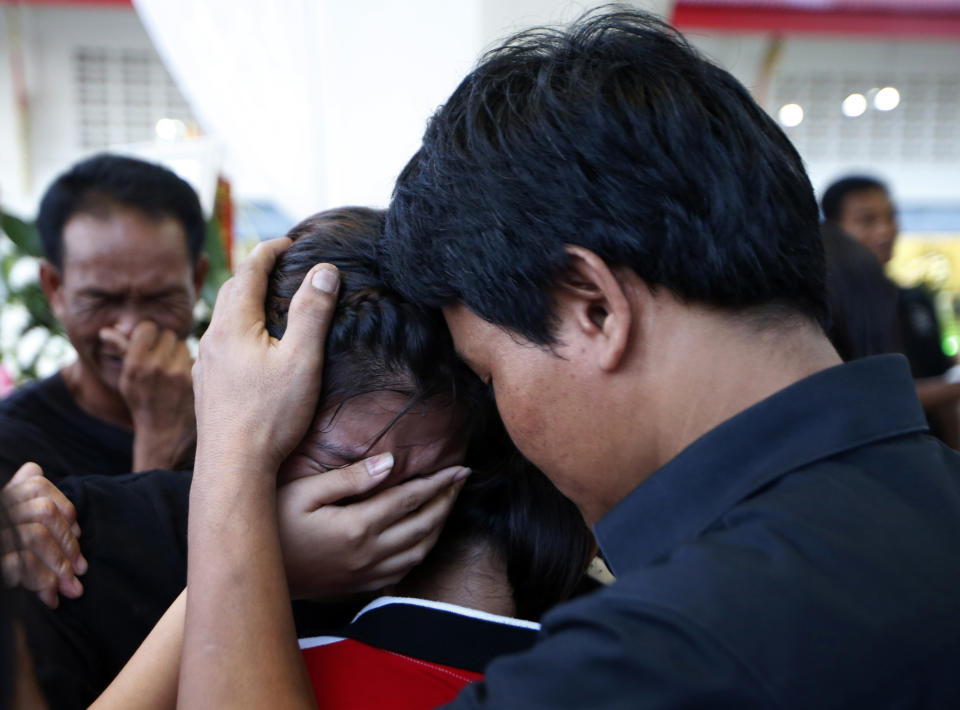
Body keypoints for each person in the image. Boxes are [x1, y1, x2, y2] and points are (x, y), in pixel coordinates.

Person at [179, 8, 960, 709]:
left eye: (488, 372)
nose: (504, 425)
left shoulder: (652, 659)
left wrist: (233, 455)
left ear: (593, 306)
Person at [86, 207, 592, 710]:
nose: (375, 510)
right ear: (237, 406)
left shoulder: (546, 644)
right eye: (340, 468)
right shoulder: (87, 543)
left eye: (422, 476)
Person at [0, 154, 208, 484]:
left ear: (196, 282)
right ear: (55, 289)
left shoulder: (234, 410)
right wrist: (159, 438)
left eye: (160, 298)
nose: (131, 327)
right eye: (101, 300)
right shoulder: (15, 446)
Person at [822, 175, 960, 443]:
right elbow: (860, 394)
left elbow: (939, 376)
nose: (885, 231)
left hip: (930, 451)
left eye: (891, 217)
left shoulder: (915, 299)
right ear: (834, 229)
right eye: (867, 220)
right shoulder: (828, 306)